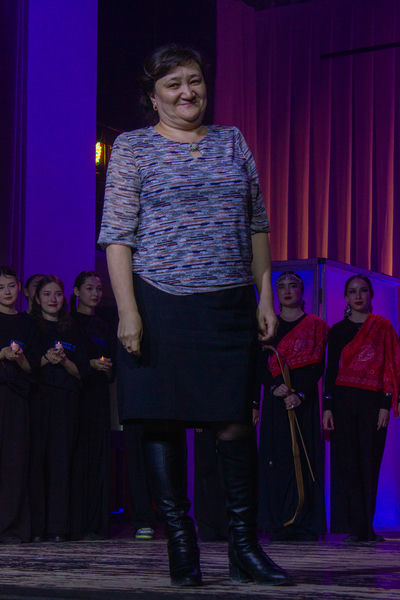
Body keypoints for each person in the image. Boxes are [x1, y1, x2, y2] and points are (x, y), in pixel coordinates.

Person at [98, 44, 290, 586]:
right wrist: (128, 312)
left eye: (195, 80)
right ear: (153, 95)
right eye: (174, 84)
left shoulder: (232, 141)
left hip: (227, 303)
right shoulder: (133, 147)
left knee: (233, 423)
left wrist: (265, 296)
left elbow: (257, 225)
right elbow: (117, 236)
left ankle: (243, 546)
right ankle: (181, 546)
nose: (188, 92)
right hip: (159, 300)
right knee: (161, 421)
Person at [323, 275, 400, 542]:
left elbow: (391, 368)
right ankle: (356, 529)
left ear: (371, 295)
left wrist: (386, 405)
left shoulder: (383, 327)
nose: (358, 296)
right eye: (353, 292)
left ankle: (368, 528)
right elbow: (330, 371)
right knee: (348, 464)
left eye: (363, 291)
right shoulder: (337, 331)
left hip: (372, 405)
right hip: (343, 403)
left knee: (370, 463)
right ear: (346, 297)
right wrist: (327, 407)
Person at [255, 272, 329, 541]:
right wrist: (274, 387)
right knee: (277, 460)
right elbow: (259, 365)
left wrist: (300, 394)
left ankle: (304, 522)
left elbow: (318, 366)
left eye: (293, 286)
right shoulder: (267, 326)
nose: (287, 291)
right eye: (282, 287)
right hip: (276, 402)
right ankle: (278, 521)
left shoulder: (316, 326)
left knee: (304, 459)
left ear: (301, 290)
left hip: (303, 402)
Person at [30, 275, 88, 542]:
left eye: (57, 294)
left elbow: (82, 371)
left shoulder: (73, 328)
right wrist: (46, 358)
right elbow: (26, 366)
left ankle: (58, 527)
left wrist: (64, 361)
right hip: (38, 400)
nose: (53, 299)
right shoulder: (31, 326)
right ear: (37, 298)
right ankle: (36, 527)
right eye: (47, 294)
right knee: (37, 462)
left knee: (62, 462)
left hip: (66, 401)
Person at [70, 271, 116, 540]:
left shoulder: (104, 325)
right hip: (75, 397)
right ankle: (74, 522)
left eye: (98, 289)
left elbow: (113, 367)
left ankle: (96, 524)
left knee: (98, 459)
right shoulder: (68, 323)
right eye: (89, 288)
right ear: (77, 292)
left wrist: (107, 369)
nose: (96, 294)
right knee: (76, 458)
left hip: (98, 397)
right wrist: (88, 365)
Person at [0, 266, 35, 543]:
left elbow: (33, 368)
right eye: (1, 288)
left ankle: (11, 526)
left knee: (15, 461)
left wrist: (20, 359)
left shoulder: (27, 322)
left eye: (11, 286)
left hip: (18, 397)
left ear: (19, 287)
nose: (7, 292)